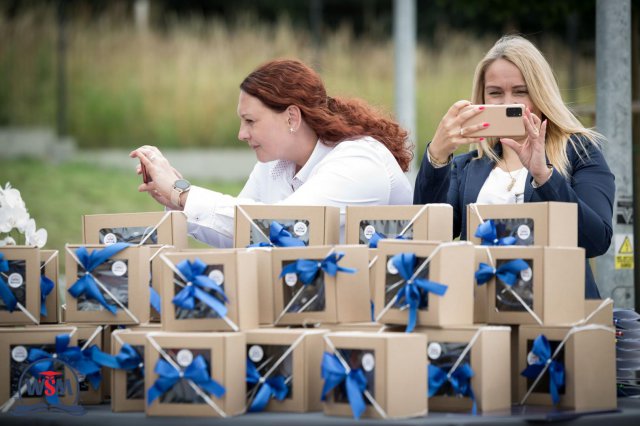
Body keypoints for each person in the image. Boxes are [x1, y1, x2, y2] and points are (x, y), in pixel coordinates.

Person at [131, 58, 413, 247]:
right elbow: (241, 236)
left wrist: (183, 193)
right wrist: (174, 198)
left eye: (251, 121)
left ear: (292, 117)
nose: (241, 134)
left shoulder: (358, 161)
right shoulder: (275, 162)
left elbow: (283, 226)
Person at [413, 35, 615, 299]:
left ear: (541, 93)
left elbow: (596, 240)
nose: (508, 102)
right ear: (481, 98)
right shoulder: (467, 167)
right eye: (495, 93)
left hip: (556, 314)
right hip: (484, 314)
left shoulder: (579, 151)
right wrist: (436, 156)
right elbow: (427, 236)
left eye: (520, 91)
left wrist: (545, 177)